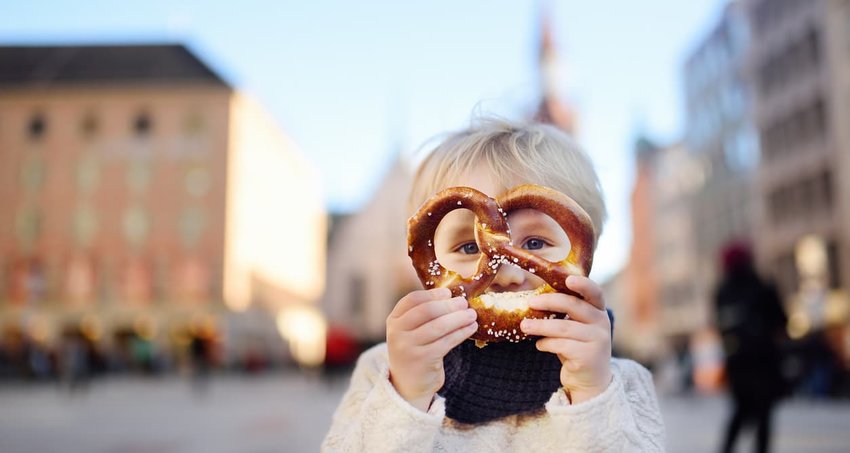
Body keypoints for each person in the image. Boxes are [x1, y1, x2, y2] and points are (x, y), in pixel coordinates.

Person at [322, 118, 665, 452]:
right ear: (428, 259)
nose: (507, 274)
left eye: (534, 244)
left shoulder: (622, 384)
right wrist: (407, 398)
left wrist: (591, 394)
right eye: (470, 247)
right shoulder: (384, 372)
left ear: (583, 253)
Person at [715, 241, 787, 453]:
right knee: (763, 416)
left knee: (740, 413)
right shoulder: (762, 286)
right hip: (764, 363)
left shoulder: (723, 292)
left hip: (740, 365)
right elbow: (781, 322)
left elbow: (722, 328)